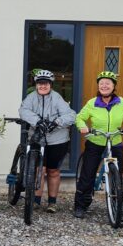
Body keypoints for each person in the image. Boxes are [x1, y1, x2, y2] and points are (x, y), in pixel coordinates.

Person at [74, 71, 123, 219]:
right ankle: (81, 205)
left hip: (115, 141)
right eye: (101, 83)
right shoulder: (92, 103)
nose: (104, 85)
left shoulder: (121, 102)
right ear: (98, 86)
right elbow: (80, 118)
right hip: (96, 141)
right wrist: (83, 127)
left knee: (118, 176)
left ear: (113, 86)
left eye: (108, 83)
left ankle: (117, 208)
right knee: (87, 174)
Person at [18, 69, 76, 213]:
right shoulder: (31, 98)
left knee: (53, 170)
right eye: (40, 83)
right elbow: (23, 110)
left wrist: (57, 122)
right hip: (37, 138)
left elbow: (71, 115)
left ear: (50, 84)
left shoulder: (57, 98)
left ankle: (52, 202)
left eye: (46, 83)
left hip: (57, 140)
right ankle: (36, 201)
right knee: (38, 169)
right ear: (36, 84)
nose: (43, 86)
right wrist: (38, 121)